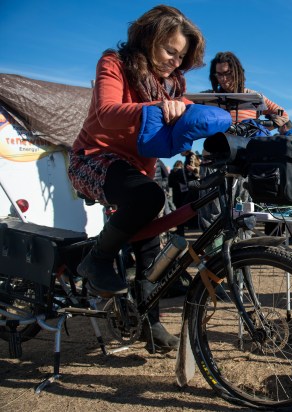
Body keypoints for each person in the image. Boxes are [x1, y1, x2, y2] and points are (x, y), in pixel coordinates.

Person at [67, 5, 206, 350]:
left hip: (137, 170)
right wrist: (159, 109)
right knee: (150, 198)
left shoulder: (168, 85)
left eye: (181, 57)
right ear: (148, 38)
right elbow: (106, 114)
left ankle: (151, 324)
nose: (175, 61)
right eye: (169, 51)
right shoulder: (113, 63)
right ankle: (95, 260)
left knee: (150, 252)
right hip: (92, 158)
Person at [204, 51, 288, 126]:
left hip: (246, 142)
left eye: (227, 73)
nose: (223, 79)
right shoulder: (208, 98)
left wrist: (261, 127)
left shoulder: (253, 97)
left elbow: (283, 114)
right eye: (219, 74)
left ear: (237, 72)